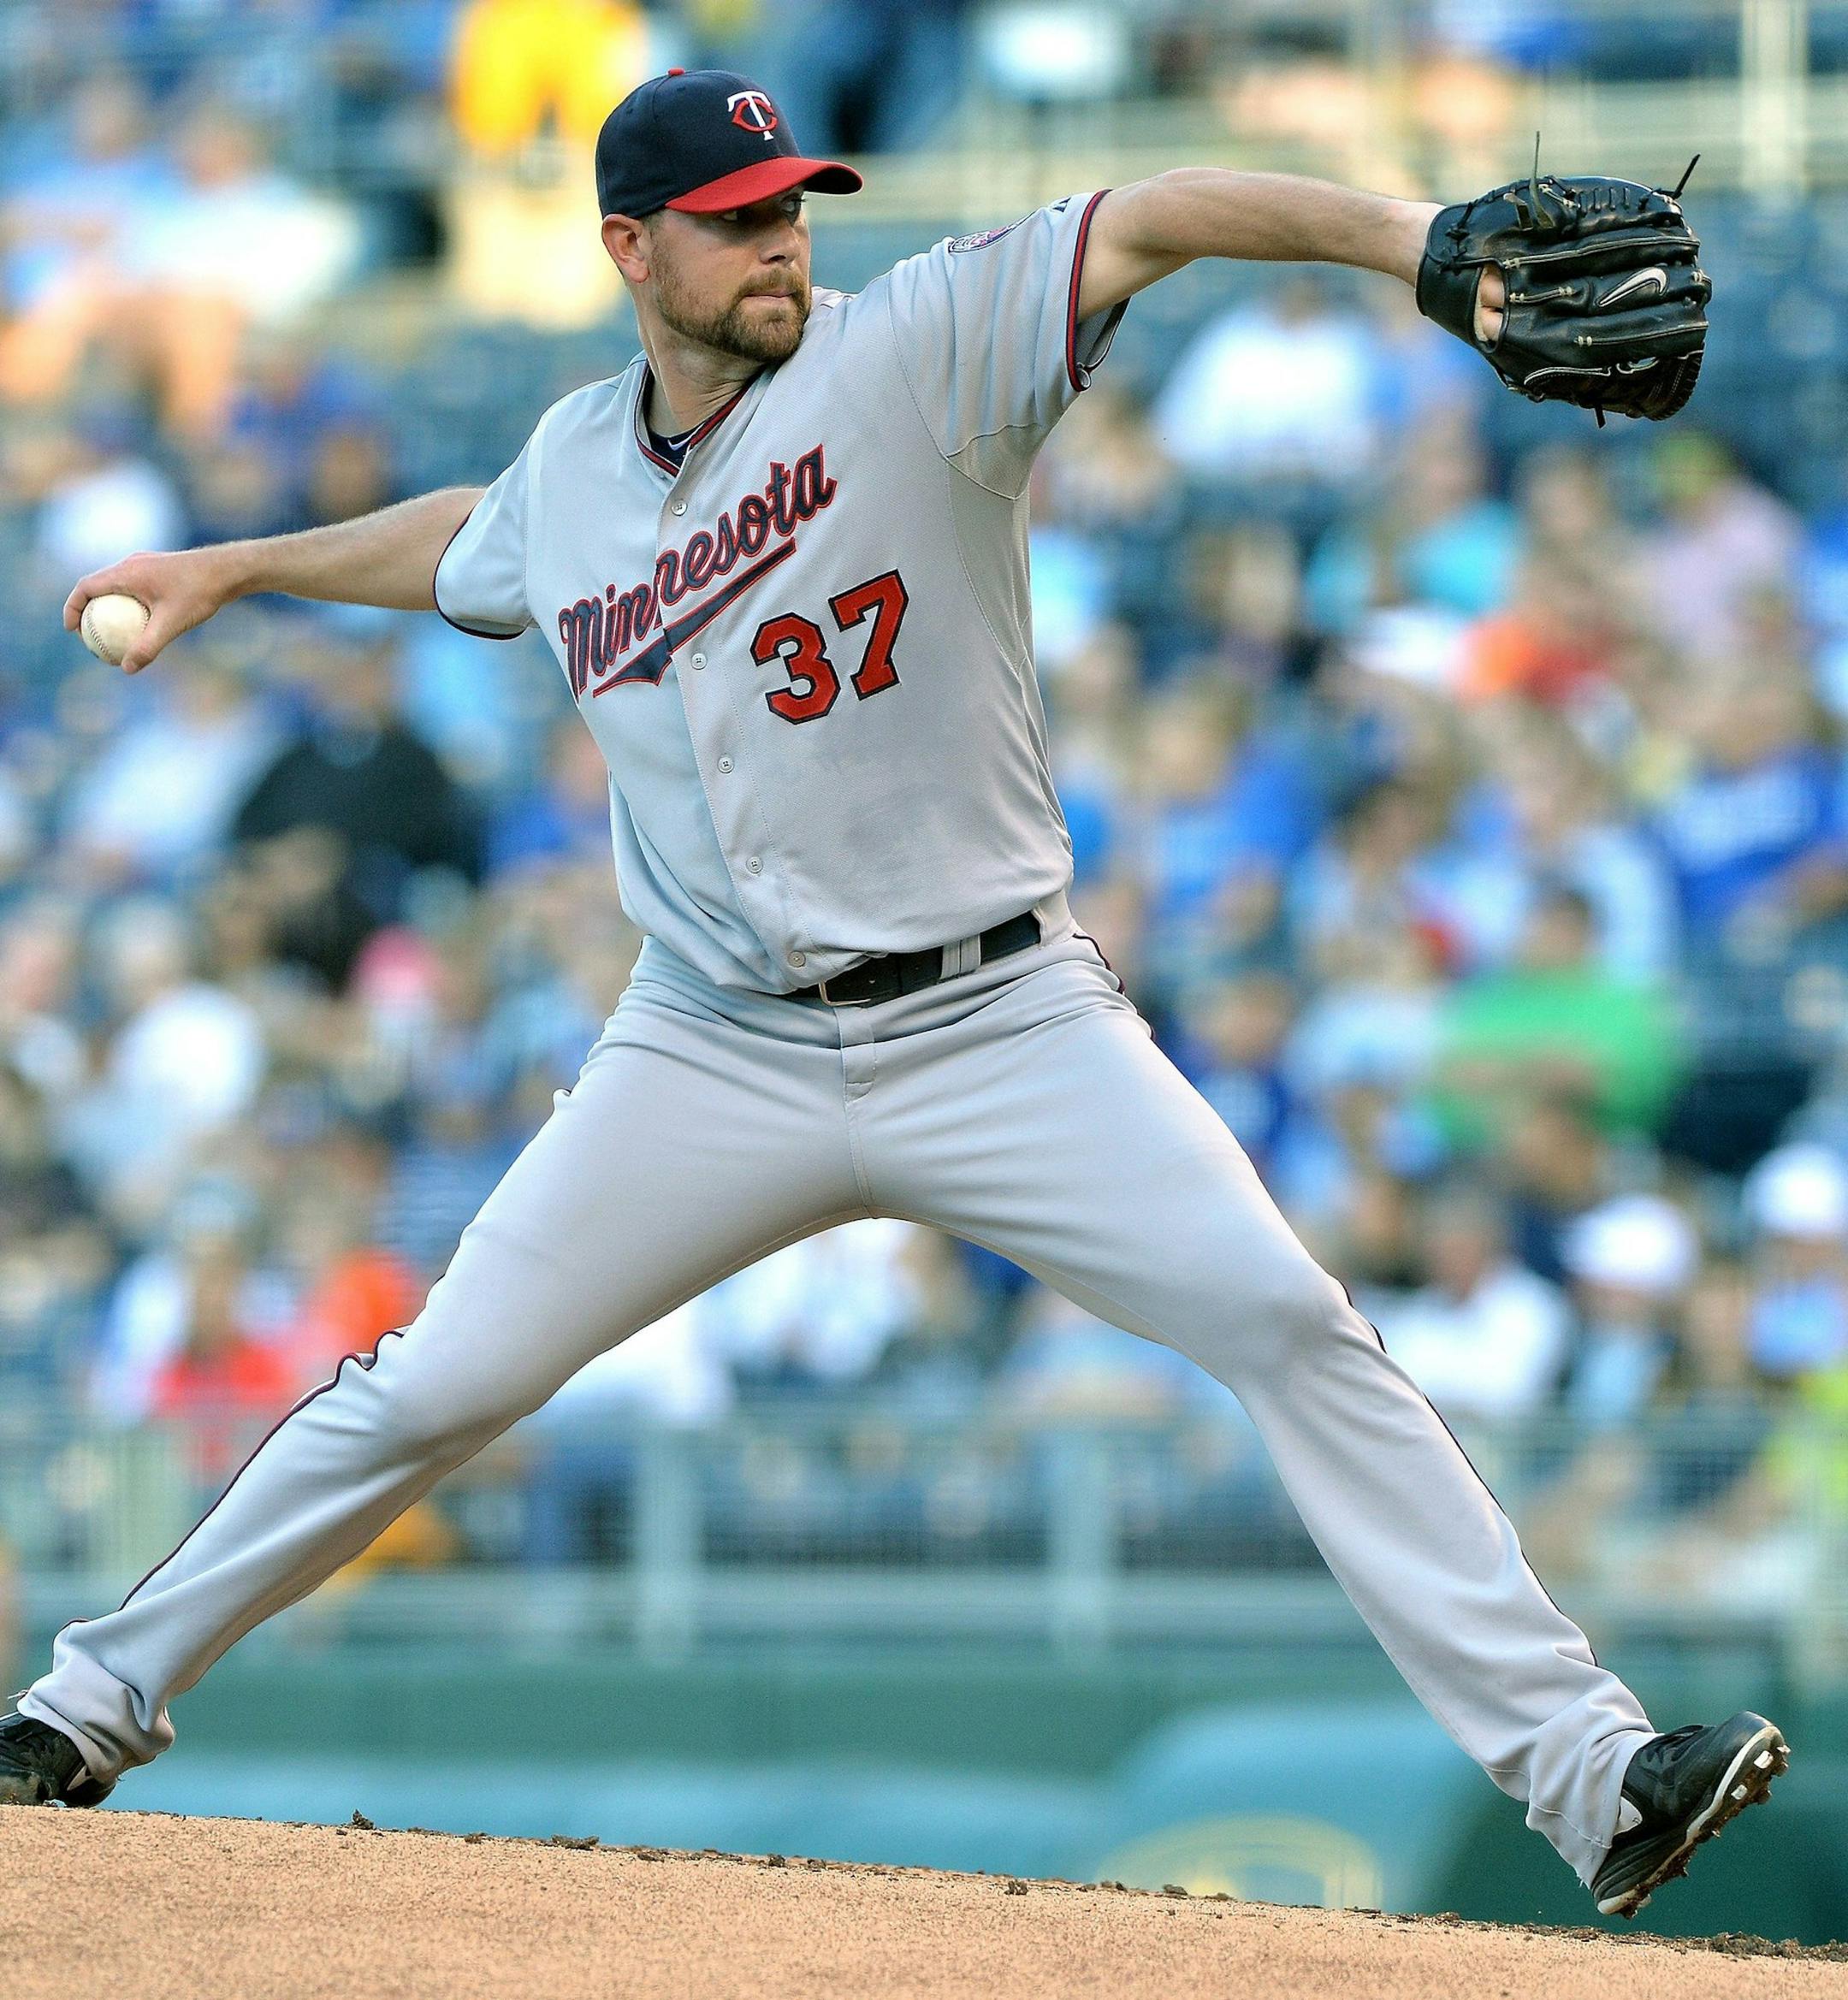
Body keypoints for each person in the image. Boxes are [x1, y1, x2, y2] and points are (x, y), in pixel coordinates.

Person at [3, 68, 1784, 1922]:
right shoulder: (571, 477)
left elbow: (1157, 212)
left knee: (1289, 1322)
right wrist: (238, 564)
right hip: (708, 1044)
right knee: (433, 1379)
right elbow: (475, 546)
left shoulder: (918, 344)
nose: (782, 242)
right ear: (629, 249)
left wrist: (1413, 244)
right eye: (737, 219)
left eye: (792, 207)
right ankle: (76, 1714)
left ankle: (1594, 1776)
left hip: (1001, 1020)